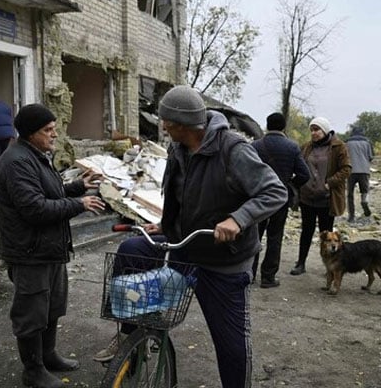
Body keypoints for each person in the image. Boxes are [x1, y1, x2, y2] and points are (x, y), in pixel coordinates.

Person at [93, 85, 287, 388]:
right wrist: (167, 224)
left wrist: (238, 218)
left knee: (231, 346)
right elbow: (183, 195)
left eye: (166, 122)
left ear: (182, 124)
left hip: (224, 263)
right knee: (132, 249)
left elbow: (275, 191)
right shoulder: (178, 148)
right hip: (183, 247)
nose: (163, 127)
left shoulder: (232, 150)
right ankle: (130, 339)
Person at [0, 103, 105, 388]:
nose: (54, 135)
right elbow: (34, 208)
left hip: (49, 248)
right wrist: (79, 204)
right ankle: (33, 370)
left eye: (54, 129)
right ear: (31, 133)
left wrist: (79, 186)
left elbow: (50, 191)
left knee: (52, 306)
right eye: (48, 130)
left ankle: (48, 355)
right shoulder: (16, 161)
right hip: (29, 251)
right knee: (31, 313)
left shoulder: (35, 155)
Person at [250, 112, 310, 288]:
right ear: (284, 127)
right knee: (275, 237)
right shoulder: (292, 147)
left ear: (267, 126)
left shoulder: (255, 146)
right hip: (280, 198)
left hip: (258, 196)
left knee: (255, 236)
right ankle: (268, 277)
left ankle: (249, 274)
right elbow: (304, 174)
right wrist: (289, 184)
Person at [290, 117, 351, 276]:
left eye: (317, 129)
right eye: (311, 130)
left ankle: (330, 267)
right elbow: (298, 165)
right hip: (307, 197)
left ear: (325, 130)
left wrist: (329, 183)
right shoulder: (306, 147)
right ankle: (301, 263)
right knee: (306, 231)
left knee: (327, 235)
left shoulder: (338, 147)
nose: (313, 133)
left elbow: (346, 169)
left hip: (326, 199)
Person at [346, 126, 374, 222]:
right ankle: (364, 201)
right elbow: (370, 157)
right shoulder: (367, 142)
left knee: (350, 194)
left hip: (351, 171)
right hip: (364, 171)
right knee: (364, 191)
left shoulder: (347, 143)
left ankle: (351, 216)